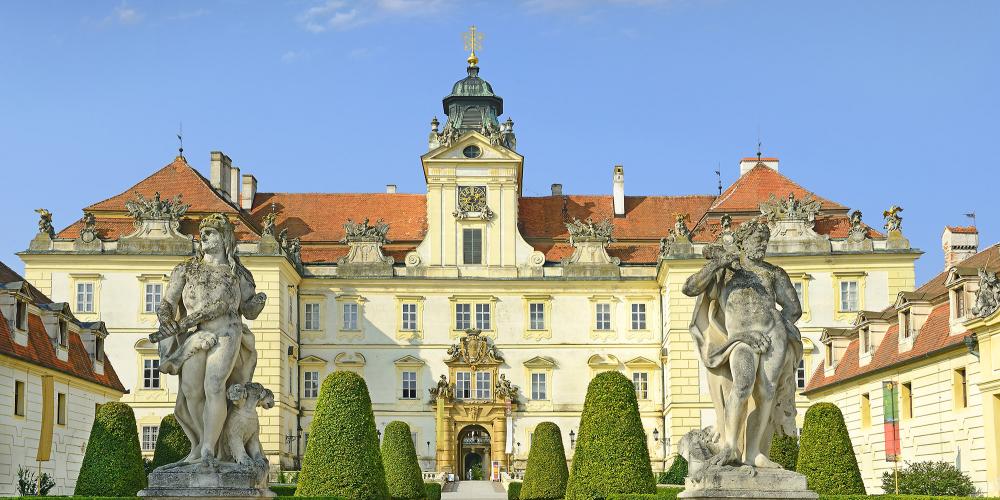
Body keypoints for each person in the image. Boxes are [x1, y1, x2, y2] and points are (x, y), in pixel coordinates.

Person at [682, 218, 802, 468]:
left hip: (772, 337)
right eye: (757, 240)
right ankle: (730, 447)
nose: (762, 245)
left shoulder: (774, 273)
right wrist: (717, 262)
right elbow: (689, 288)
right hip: (740, 340)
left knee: (767, 393)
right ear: (743, 242)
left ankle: (754, 454)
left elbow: (794, 308)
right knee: (743, 385)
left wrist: (778, 326)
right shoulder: (726, 271)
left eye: (765, 241)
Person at [153, 213, 267, 470]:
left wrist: (258, 302)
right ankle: (202, 444)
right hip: (195, 334)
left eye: (211, 232)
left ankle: (208, 449)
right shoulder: (186, 270)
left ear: (225, 237)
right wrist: (166, 319)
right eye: (202, 233)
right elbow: (168, 303)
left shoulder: (238, 274)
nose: (204, 237)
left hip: (227, 332)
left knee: (214, 385)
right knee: (191, 392)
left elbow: (248, 310)